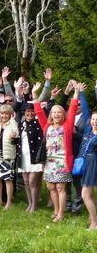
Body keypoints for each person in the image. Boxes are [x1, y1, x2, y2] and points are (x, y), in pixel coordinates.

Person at [33, 81, 79, 222]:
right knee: (51, 187)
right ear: (51, 115)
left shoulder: (67, 125)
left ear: (62, 114)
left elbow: (72, 109)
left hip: (62, 161)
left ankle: (61, 213)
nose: (57, 114)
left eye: (59, 112)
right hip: (49, 160)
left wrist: (76, 92)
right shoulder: (47, 125)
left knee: (60, 187)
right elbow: (39, 111)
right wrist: (34, 93)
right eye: (54, 112)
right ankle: (56, 210)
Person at [17, 103, 45, 213]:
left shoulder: (39, 124)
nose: (30, 113)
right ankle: (30, 203)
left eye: (32, 111)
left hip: (35, 157)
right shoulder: (21, 124)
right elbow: (17, 141)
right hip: (23, 156)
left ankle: (34, 204)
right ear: (24, 112)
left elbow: (41, 142)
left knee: (32, 182)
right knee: (25, 181)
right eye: (28, 111)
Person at [79, 111, 97, 230]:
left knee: (85, 194)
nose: (95, 121)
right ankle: (93, 217)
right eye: (93, 119)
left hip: (94, 163)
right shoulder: (89, 133)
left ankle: (94, 223)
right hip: (86, 163)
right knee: (90, 193)